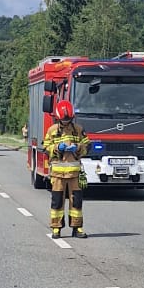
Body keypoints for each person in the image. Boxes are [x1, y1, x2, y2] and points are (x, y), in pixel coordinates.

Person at [43, 96, 89, 238]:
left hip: (74, 174)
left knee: (76, 203)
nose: (65, 122)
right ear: (58, 118)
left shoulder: (78, 130)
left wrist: (78, 147)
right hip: (57, 175)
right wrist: (57, 147)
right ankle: (56, 228)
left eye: (68, 120)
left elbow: (88, 146)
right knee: (57, 202)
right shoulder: (52, 130)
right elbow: (46, 148)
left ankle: (77, 228)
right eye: (63, 120)